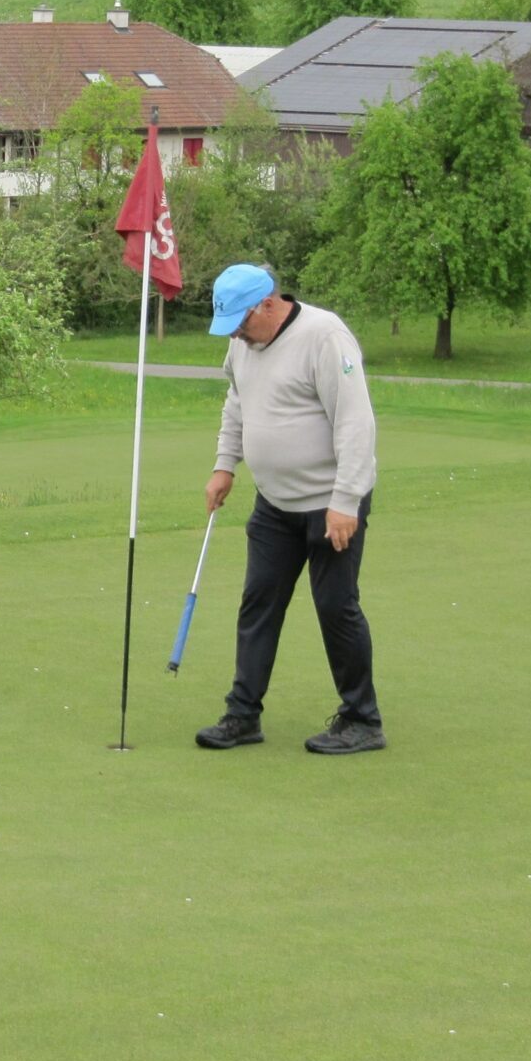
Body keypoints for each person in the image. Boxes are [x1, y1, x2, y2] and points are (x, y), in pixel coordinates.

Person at [195, 263, 386, 755]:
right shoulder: (242, 343)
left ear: (268, 303)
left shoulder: (324, 336)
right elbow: (237, 403)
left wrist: (345, 502)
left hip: (330, 503)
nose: (235, 334)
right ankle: (243, 715)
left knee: (336, 607)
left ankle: (362, 719)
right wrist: (224, 464)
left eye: (241, 322)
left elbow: (355, 423)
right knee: (259, 603)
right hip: (274, 504)